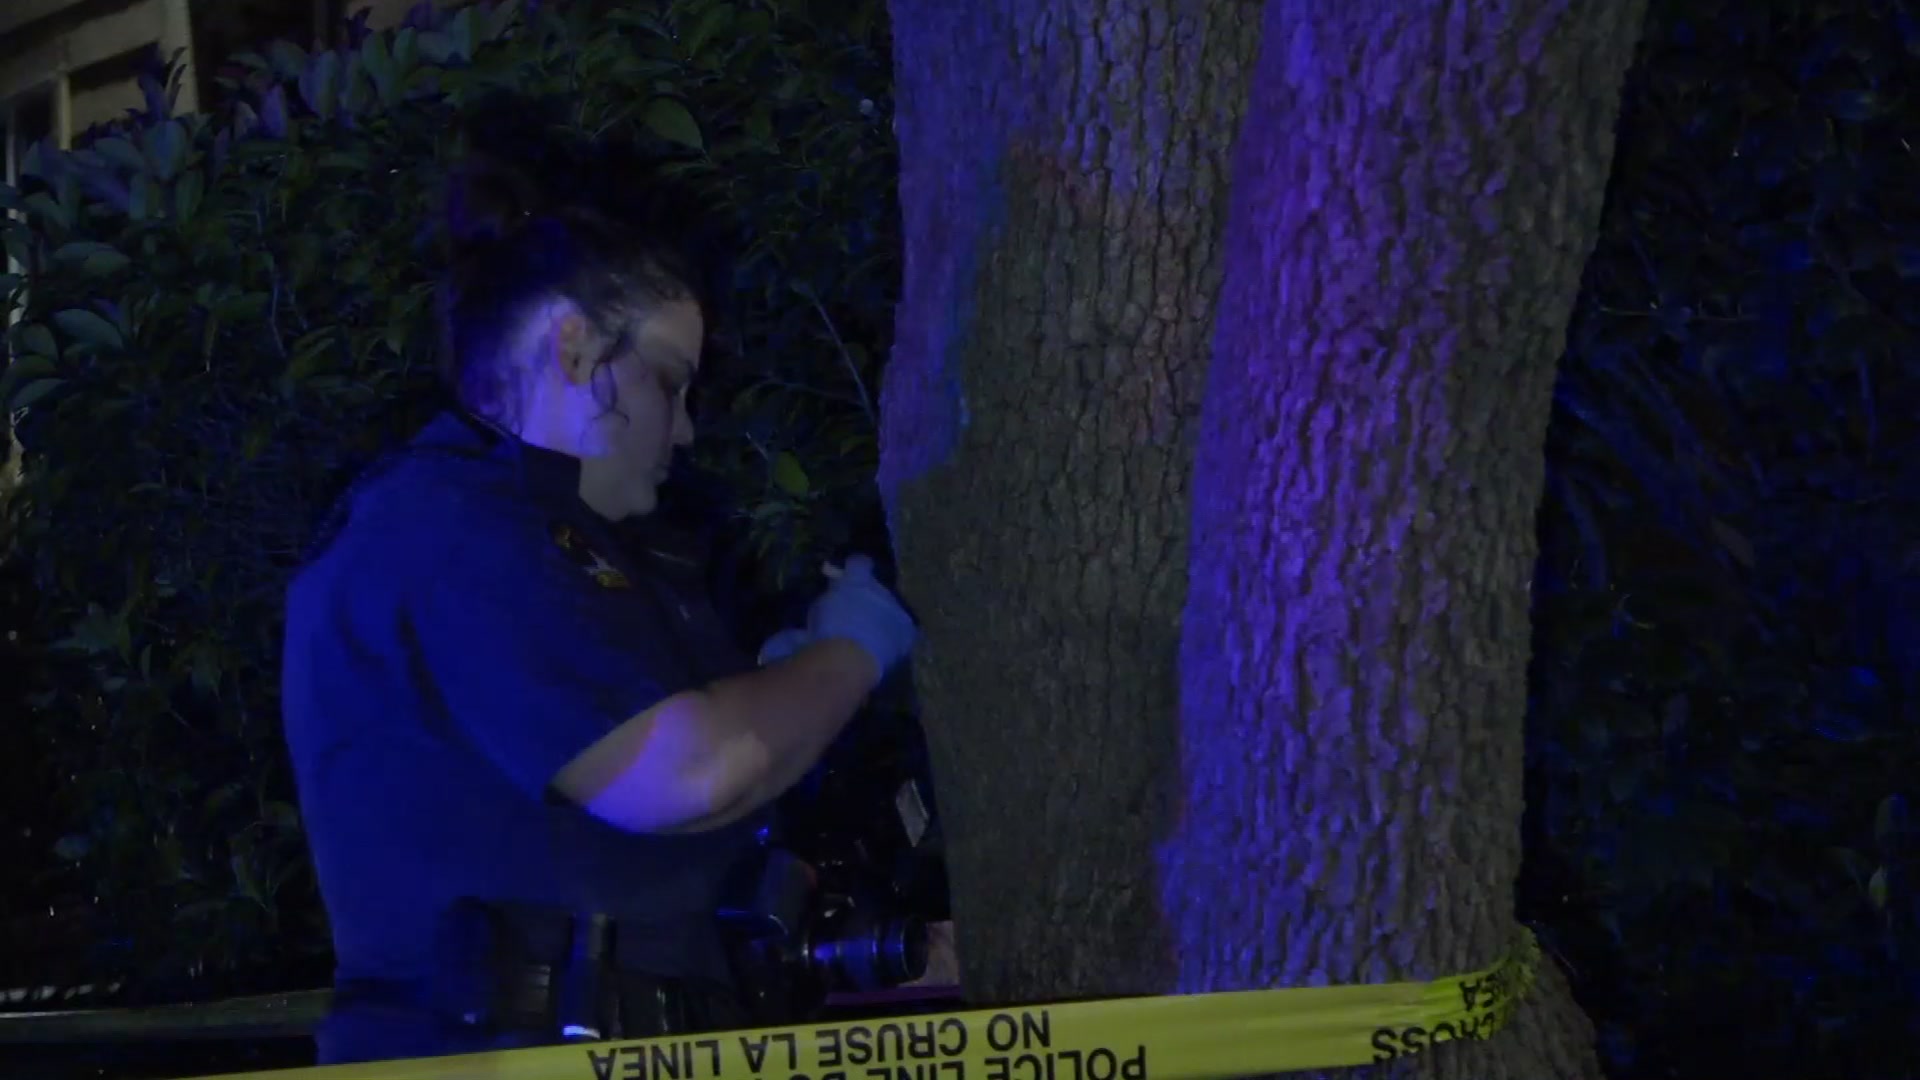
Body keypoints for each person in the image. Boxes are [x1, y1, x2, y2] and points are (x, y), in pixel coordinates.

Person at [279, 137, 918, 1064]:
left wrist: (788, 695)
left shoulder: (561, 543)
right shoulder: (450, 528)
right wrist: (852, 649)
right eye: (668, 378)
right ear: (574, 350)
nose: (687, 427)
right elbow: (686, 776)